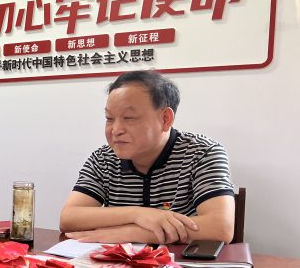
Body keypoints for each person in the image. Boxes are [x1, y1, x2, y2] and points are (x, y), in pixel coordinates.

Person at [59, 70, 235, 245]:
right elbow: (69, 219)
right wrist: (137, 214)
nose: (116, 130)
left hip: (178, 261)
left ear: (165, 119)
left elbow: (220, 228)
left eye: (129, 118)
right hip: (117, 261)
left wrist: (131, 232)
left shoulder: (202, 152)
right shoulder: (103, 158)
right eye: (109, 118)